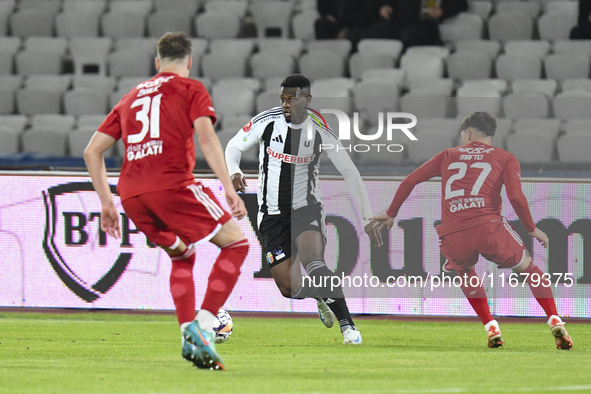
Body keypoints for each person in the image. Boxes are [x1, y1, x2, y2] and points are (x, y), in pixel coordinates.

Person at [84, 32, 249, 370]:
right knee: (236, 244)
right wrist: (228, 188)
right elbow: (206, 137)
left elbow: (92, 151)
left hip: (131, 196)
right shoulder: (191, 89)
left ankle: (188, 333)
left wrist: (106, 203)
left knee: (183, 255)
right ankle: (202, 329)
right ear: (188, 62)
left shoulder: (130, 98)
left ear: (157, 63)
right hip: (172, 185)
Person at [370, 111, 573, 350]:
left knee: (464, 271)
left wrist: (392, 213)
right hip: (489, 228)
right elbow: (516, 196)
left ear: (467, 133)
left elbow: (409, 181)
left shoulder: (446, 155)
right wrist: (531, 228)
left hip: (454, 233)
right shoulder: (505, 157)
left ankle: (490, 326)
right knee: (530, 268)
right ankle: (554, 319)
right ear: (491, 137)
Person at [225, 74, 382, 344]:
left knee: (314, 262)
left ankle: (348, 327)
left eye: (293, 98)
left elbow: (350, 172)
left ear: (307, 99)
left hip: (306, 209)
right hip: (271, 215)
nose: (286, 104)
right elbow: (233, 146)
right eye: (283, 98)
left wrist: (367, 216)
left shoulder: (319, 127)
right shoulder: (266, 121)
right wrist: (234, 170)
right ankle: (320, 294)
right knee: (289, 288)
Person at [394, 0, 468, 49]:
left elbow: (461, 3)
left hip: (426, 24)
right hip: (401, 22)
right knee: (385, 31)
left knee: (410, 36)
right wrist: (385, 6)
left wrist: (442, 11)